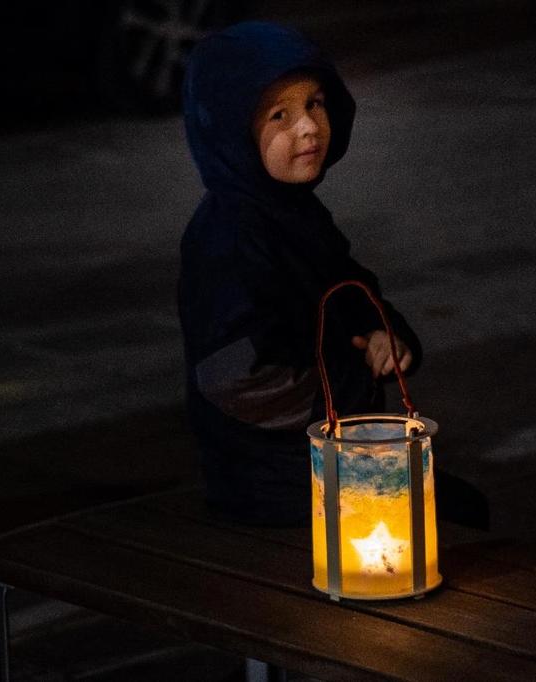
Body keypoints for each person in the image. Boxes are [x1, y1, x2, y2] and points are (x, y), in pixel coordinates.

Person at [177, 21, 422, 527]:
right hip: (266, 475)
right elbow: (238, 376)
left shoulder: (292, 210)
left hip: (316, 453)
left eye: (314, 103)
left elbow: (347, 287)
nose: (308, 127)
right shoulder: (230, 237)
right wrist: (345, 391)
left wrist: (385, 332)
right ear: (230, 131)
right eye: (279, 115)